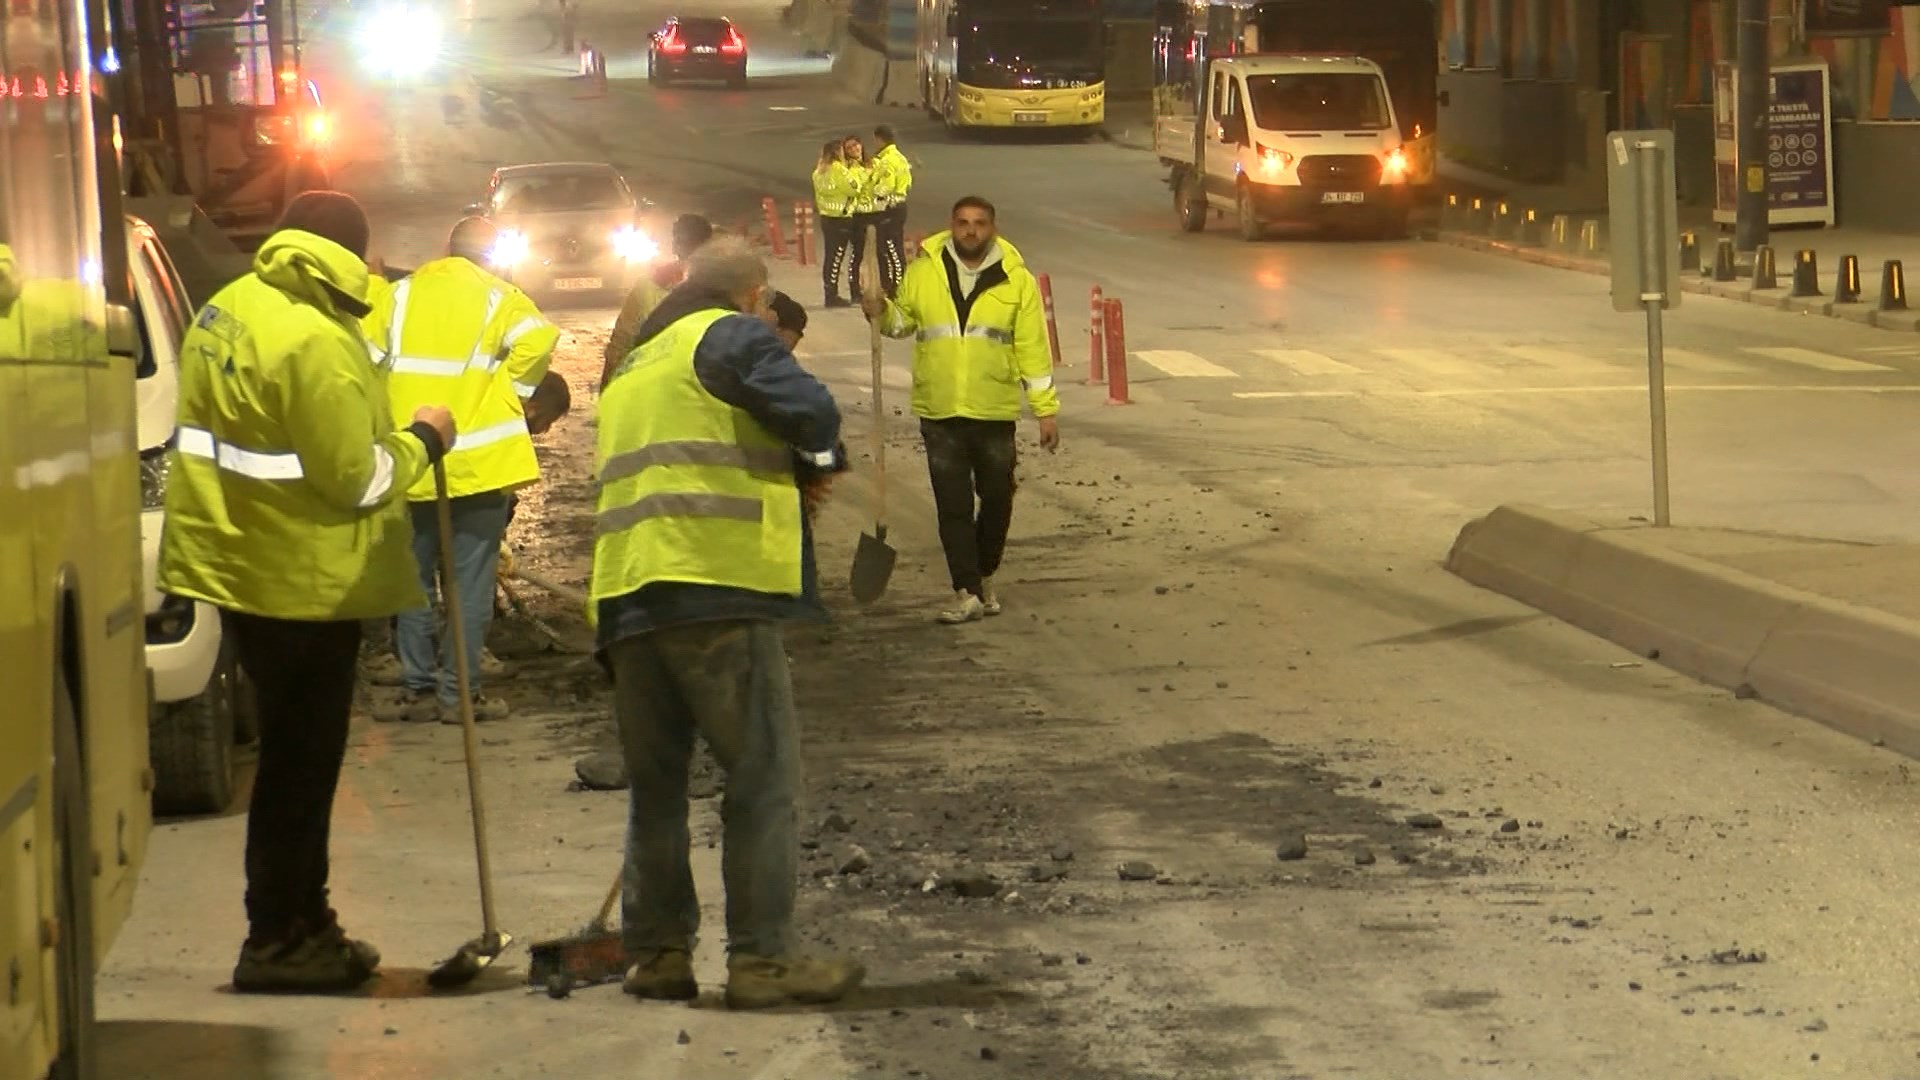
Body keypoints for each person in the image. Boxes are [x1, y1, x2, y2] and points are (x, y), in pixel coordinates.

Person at [155, 191, 457, 992]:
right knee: (301, 767)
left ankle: (298, 926)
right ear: (352, 255)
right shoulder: (316, 340)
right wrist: (424, 437)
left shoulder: (230, 307)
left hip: (240, 559)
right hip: (304, 581)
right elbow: (356, 479)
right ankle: (287, 939)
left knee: (290, 763)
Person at [590, 236, 864, 1010]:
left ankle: (659, 956)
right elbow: (812, 409)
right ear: (753, 294)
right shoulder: (730, 332)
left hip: (627, 600)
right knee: (761, 778)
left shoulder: (635, 368)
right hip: (713, 585)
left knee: (658, 788)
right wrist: (817, 461)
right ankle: (763, 962)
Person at [366, 216, 558, 724]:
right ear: (491, 255)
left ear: (446, 249)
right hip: (479, 465)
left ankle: (418, 690)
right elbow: (538, 340)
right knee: (468, 585)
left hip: (412, 458)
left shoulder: (399, 296)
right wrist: (510, 393)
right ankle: (459, 696)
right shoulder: (501, 297)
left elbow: (364, 356)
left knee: (412, 580)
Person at [862, 195, 1059, 624]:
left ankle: (985, 572)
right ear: (952, 225)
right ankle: (965, 589)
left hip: (994, 409)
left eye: (979, 223)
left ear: (993, 227)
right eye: (963, 223)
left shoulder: (1016, 280)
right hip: (940, 409)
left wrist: (1045, 411)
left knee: (997, 498)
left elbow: (1032, 349)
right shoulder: (923, 272)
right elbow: (903, 323)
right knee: (952, 505)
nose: (970, 230)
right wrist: (880, 311)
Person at [605, 213, 714, 386]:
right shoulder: (728, 285)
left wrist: (610, 386)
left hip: (657, 382)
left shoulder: (649, 284)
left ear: (675, 246)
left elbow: (621, 343)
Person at [810, 140, 858, 308]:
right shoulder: (839, 170)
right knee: (837, 257)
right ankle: (832, 296)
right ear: (838, 153)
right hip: (841, 219)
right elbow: (854, 188)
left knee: (829, 257)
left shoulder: (818, 172)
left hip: (826, 218)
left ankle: (829, 292)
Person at [869, 125, 913, 297]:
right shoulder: (901, 158)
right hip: (900, 205)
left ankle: (895, 286)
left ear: (880, 139)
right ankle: (894, 284)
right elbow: (908, 181)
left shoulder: (887, 161)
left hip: (889, 207)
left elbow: (886, 186)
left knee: (889, 249)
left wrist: (874, 190)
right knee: (893, 248)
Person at [841, 134, 878, 298]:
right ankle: (855, 290)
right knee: (857, 255)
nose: (854, 149)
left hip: (875, 214)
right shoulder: (849, 169)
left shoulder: (873, 163)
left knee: (879, 255)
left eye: (856, 145)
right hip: (857, 217)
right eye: (849, 148)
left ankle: (879, 287)